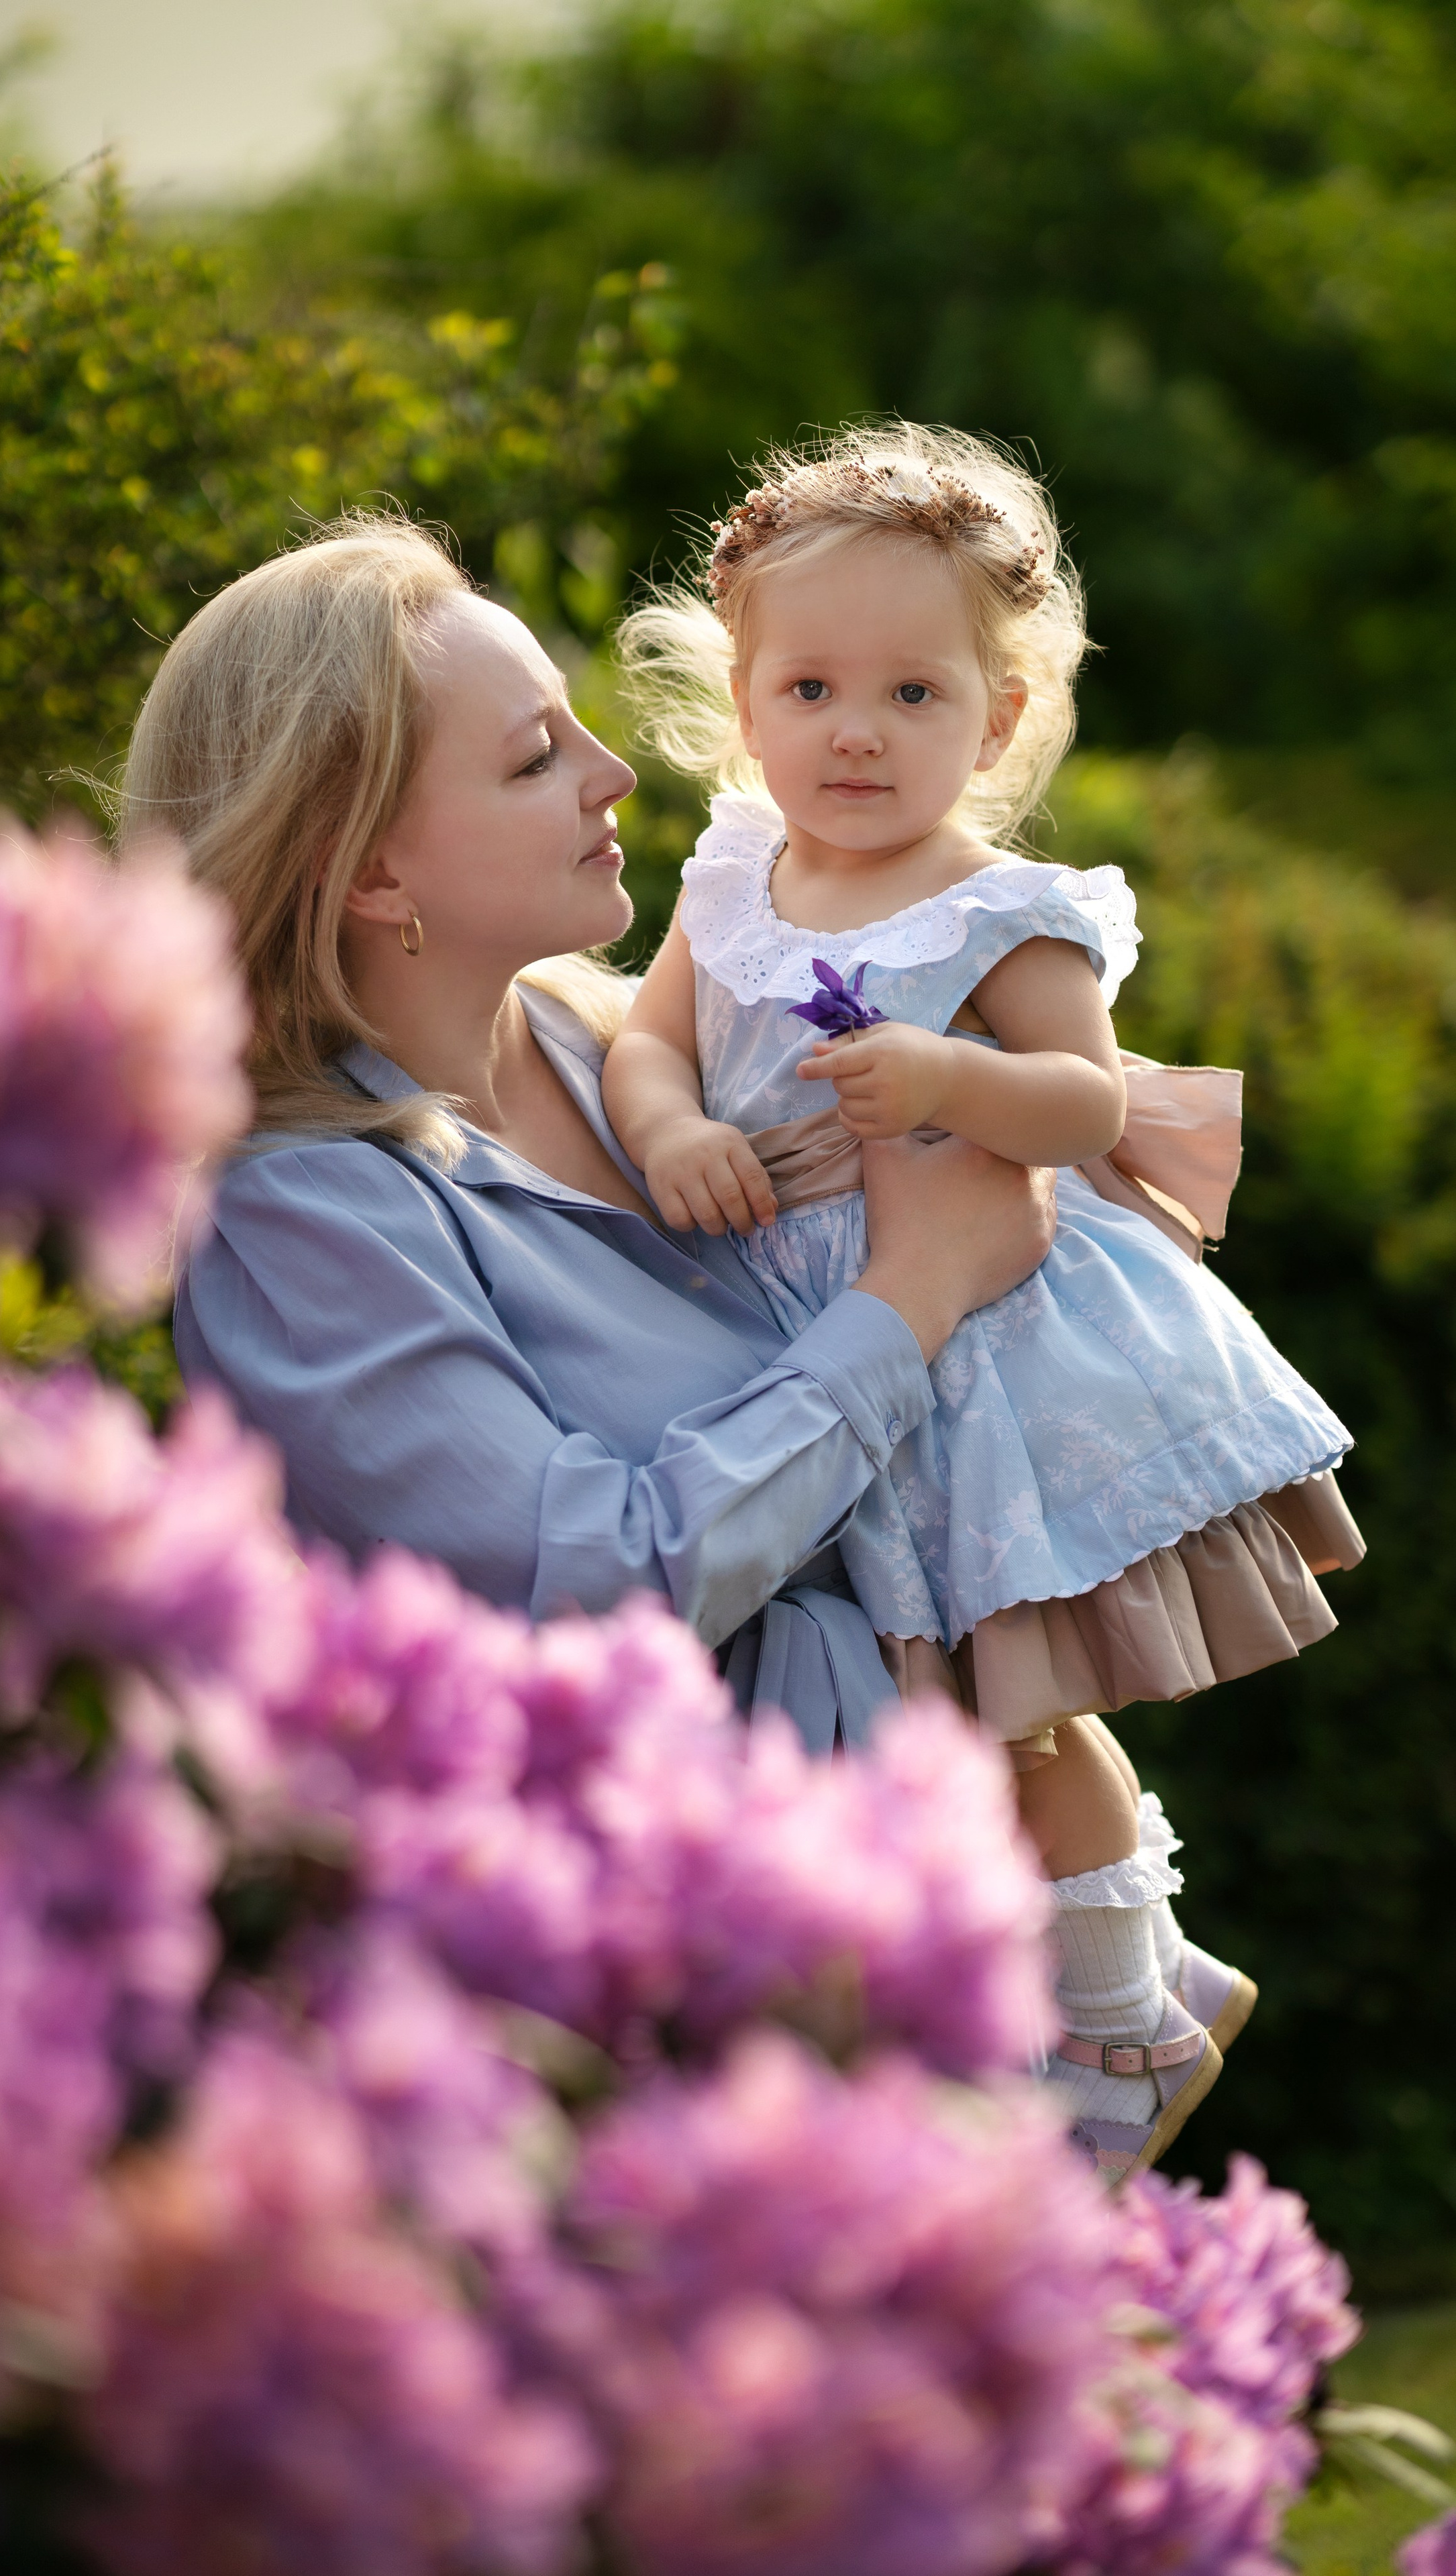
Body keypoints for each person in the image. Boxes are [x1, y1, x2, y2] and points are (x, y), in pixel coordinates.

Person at [130, 515, 1233, 2177]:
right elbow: (583, 1583)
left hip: (924, 1933)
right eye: (531, 759)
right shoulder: (302, 1224)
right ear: (370, 870)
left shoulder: (613, 1048)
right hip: (696, 2044)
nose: (613, 774)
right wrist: (906, 1305)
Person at [600, 423, 1366, 2170]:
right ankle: (1147, 1973)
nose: (855, 730)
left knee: (1023, 1711)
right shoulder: (734, 877)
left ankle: (1120, 2037)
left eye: (912, 693)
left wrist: (952, 1079)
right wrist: (668, 1132)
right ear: (746, 695)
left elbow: (1091, 1108)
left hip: (981, 1358)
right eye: (810, 687)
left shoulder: (1000, 910)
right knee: (934, 1726)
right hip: (818, 1336)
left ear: (997, 716)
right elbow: (653, 1044)